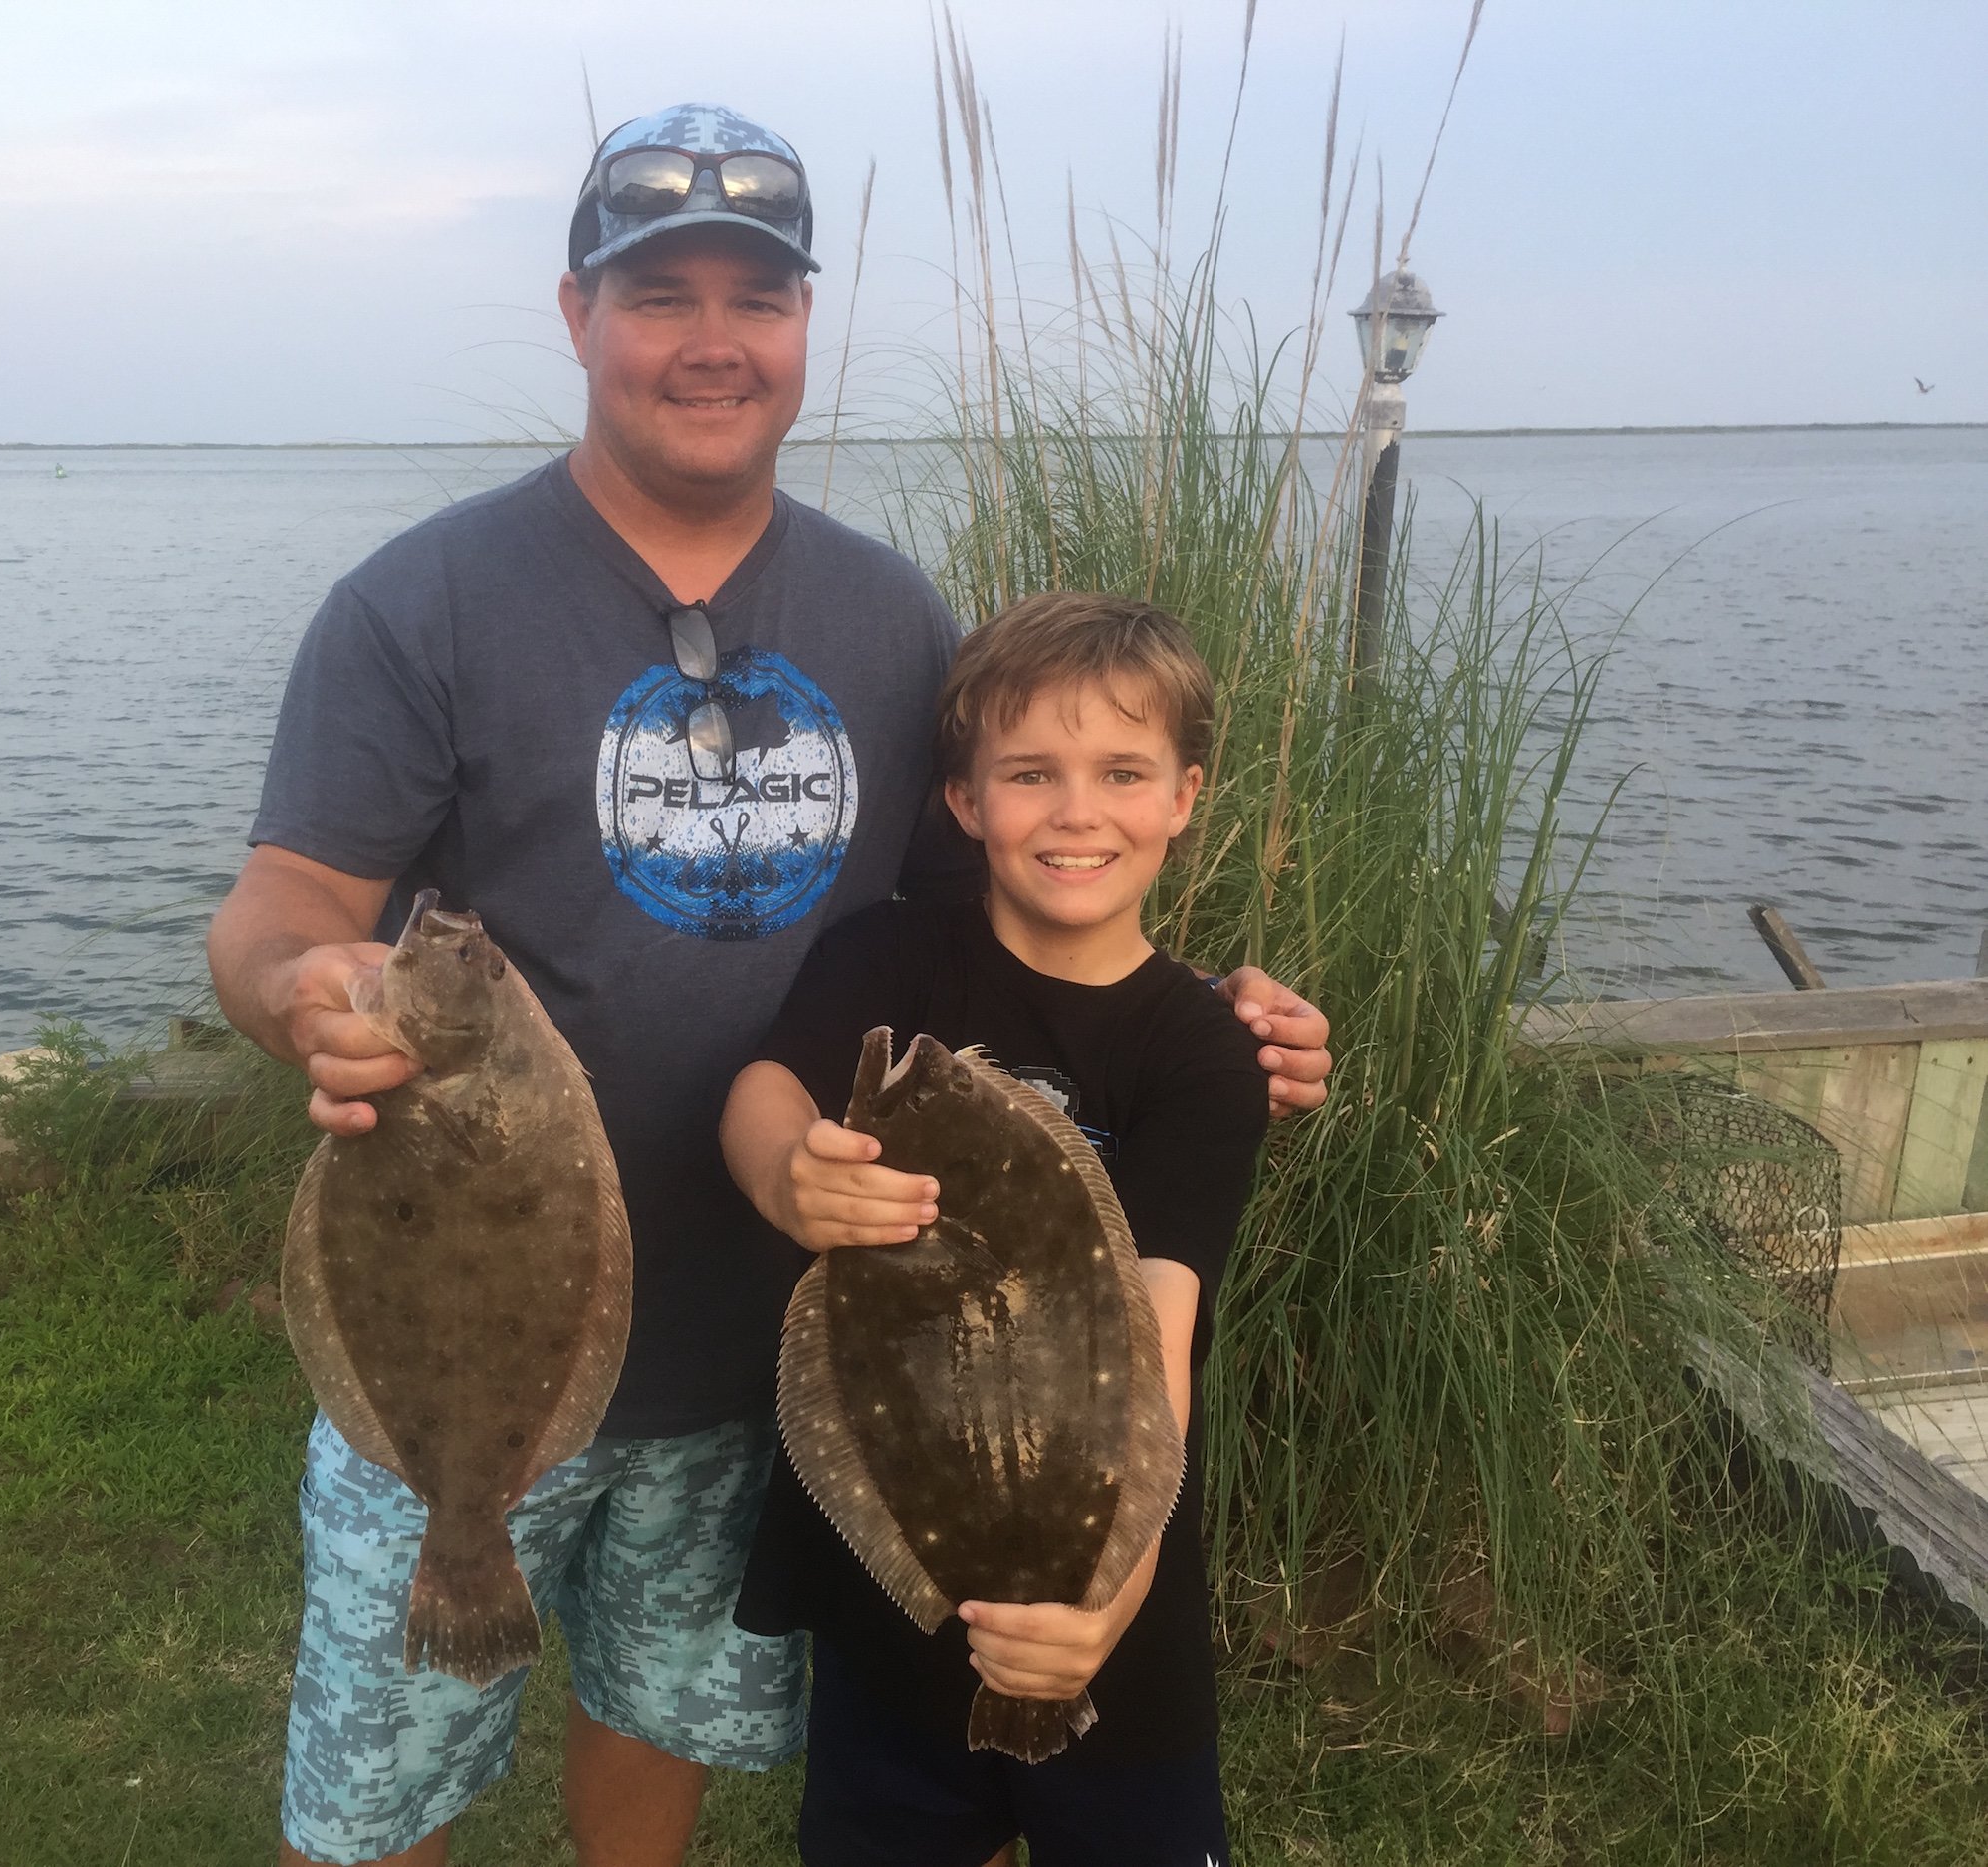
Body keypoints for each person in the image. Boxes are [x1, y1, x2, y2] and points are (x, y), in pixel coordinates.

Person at [205, 103, 1330, 1867]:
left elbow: (1009, 924)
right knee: (379, 1799)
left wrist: (1206, 1012)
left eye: (759, 296)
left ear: (807, 329)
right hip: (462, 1342)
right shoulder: (419, 601)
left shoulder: (890, 618)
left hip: (764, 1355)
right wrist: (305, 991)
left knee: (659, 1735)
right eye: (661, 295)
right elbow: (279, 906)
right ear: (578, 314)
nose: (711, 341)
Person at [722, 591, 1265, 1867]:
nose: (1077, 811)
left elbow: (1159, 1344)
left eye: (1122, 772)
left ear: (1184, 798)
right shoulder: (888, 961)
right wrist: (785, 1176)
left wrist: (1102, 1606)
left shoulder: (1199, 1056)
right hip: (898, 1566)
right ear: (965, 802)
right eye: (1031, 773)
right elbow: (769, 1087)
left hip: (1105, 1590)